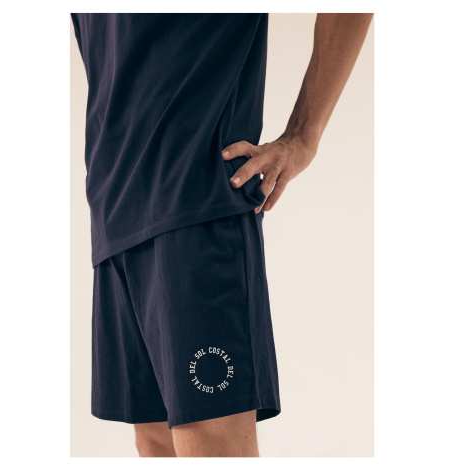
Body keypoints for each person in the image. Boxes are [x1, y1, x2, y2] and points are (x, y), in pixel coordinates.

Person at [71, 12, 373, 457]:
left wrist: (302, 135)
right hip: (113, 211)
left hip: (196, 202)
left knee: (210, 443)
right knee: (155, 441)